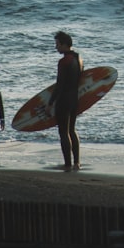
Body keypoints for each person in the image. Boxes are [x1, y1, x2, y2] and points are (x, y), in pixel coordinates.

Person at [48, 30, 84, 170]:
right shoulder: (78, 59)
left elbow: (60, 84)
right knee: (72, 130)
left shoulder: (64, 61)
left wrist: (50, 103)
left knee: (63, 132)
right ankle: (77, 162)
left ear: (64, 45)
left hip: (63, 100)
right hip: (74, 99)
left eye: (57, 44)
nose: (56, 47)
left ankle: (67, 164)